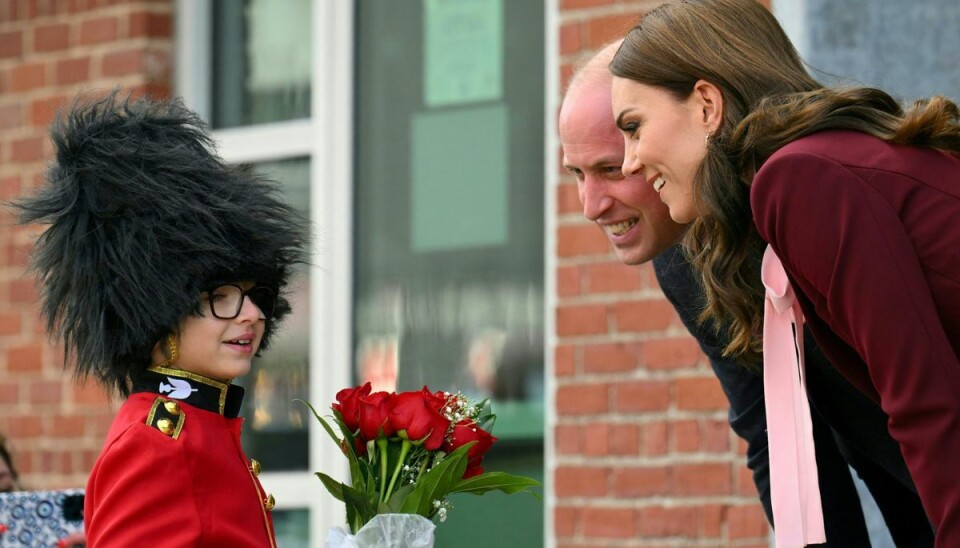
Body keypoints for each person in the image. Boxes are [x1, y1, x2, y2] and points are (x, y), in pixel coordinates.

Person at [608, 0, 960, 545]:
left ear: (705, 104)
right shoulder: (803, 179)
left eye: (634, 127)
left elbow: (927, 404)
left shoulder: (796, 182)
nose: (629, 162)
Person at [14, 92, 307, 546]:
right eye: (221, 297)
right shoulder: (155, 445)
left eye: (255, 295)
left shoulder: (201, 426)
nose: (251, 314)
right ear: (159, 312)